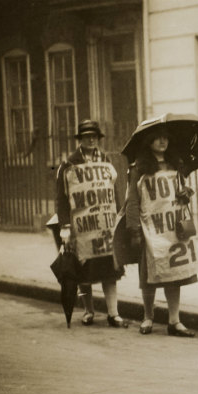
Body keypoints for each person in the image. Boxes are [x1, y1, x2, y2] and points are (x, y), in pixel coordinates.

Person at [125, 128, 198, 337]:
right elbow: (132, 200)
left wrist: (186, 193)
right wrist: (134, 230)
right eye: (158, 138)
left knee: (174, 274)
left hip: (173, 228)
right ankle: (148, 317)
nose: (162, 141)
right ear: (148, 142)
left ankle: (174, 320)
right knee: (149, 275)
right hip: (151, 229)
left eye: (166, 137)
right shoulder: (139, 169)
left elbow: (181, 193)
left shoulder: (176, 165)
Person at [55, 120, 127, 328]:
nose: (91, 139)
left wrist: (119, 216)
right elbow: (61, 198)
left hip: (105, 226)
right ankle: (88, 311)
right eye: (87, 136)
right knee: (84, 272)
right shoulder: (69, 164)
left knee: (109, 271)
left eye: (94, 136)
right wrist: (65, 226)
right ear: (80, 139)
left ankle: (113, 313)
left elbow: (114, 191)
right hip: (83, 228)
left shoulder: (106, 161)